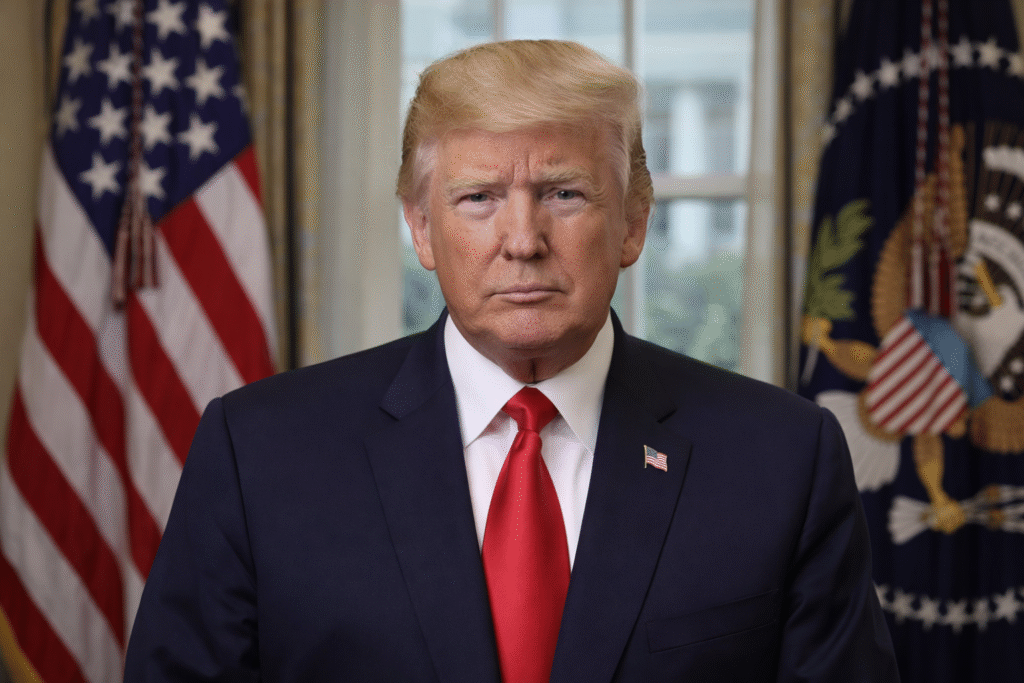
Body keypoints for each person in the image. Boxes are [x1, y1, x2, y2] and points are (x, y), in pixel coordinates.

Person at [124, 40, 899, 682]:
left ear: (632, 224)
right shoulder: (259, 453)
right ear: (421, 229)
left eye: (564, 194)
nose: (522, 239)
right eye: (478, 198)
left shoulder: (782, 458)